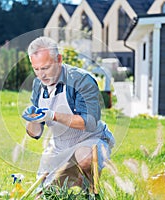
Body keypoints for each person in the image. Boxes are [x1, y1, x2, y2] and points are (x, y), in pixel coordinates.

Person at [22, 36, 115, 191]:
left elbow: (90, 123)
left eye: (45, 68)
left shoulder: (81, 80)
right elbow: (35, 134)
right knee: (46, 192)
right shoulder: (38, 85)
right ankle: (73, 180)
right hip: (59, 146)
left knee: (84, 158)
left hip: (91, 139)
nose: (41, 75)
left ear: (59, 59)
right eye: (36, 69)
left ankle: (90, 191)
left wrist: (53, 115)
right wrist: (32, 120)